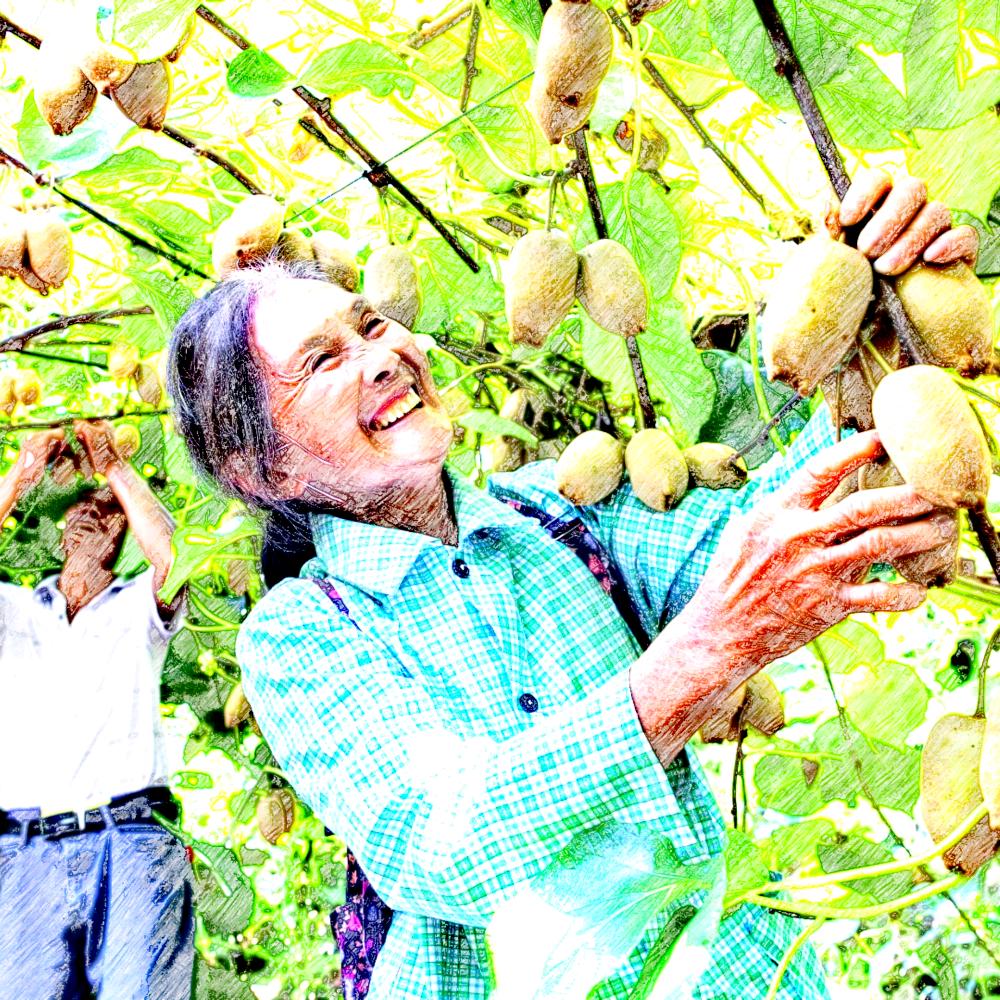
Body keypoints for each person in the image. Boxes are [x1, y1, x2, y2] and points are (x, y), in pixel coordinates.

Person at [167, 170, 977, 999]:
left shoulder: (560, 512)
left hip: (742, 977)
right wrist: (706, 651)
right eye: (324, 360)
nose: (381, 358)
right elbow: (440, 848)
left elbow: (796, 530)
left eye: (371, 325)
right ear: (259, 463)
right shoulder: (300, 633)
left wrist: (877, 328)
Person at [0, 419, 194, 999]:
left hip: (130, 842)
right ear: (62, 530)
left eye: (107, 511)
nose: (91, 513)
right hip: (21, 849)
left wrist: (115, 468)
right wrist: (22, 474)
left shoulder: (139, 605)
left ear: (121, 536)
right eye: (80, 507)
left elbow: (175, 558)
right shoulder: (13, 609)